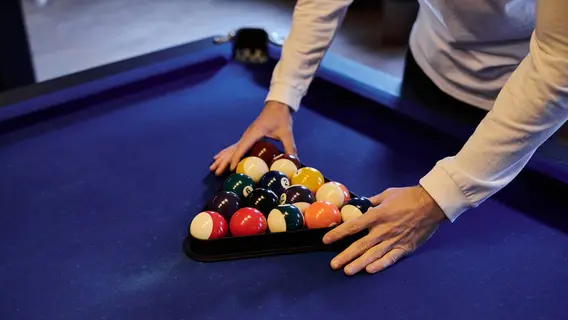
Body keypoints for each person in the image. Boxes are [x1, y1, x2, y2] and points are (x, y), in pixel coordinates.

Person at [210, 0, 568, 276]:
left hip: (530, 104)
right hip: (430, 67)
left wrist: (441, 197)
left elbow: (559, 61)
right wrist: (282, 96)